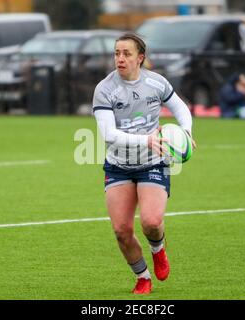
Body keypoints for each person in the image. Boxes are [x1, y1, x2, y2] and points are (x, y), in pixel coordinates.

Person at [92, 33, 195, 294]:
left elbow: (181, 109)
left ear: (141, 58)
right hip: (118, 165)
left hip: (152, 162)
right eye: (116, 53)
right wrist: (146, 140)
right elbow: (108, 134)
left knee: (150, 221)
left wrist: (187, 132)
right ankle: (142, 277)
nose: (120, 58)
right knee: (121, 230)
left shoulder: (156, 83)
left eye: (126, 53)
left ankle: (158, 250)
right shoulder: (104, 89)